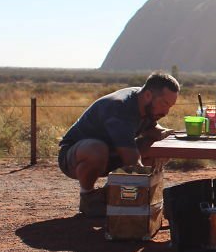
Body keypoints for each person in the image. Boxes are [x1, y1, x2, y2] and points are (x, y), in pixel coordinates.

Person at [58, 71, 180, 217]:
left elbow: (152, 130)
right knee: (96, 149)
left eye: (170, 106)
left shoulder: (144, 101)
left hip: (112, 155)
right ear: (148, 95)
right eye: (164, 104)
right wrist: (149, 198)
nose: (166, 111)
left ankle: (110, 194)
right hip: (74, 157)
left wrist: (170, 137)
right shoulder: (120, 107)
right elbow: (132, 161)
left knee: (155, 147)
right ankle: (88, 198)